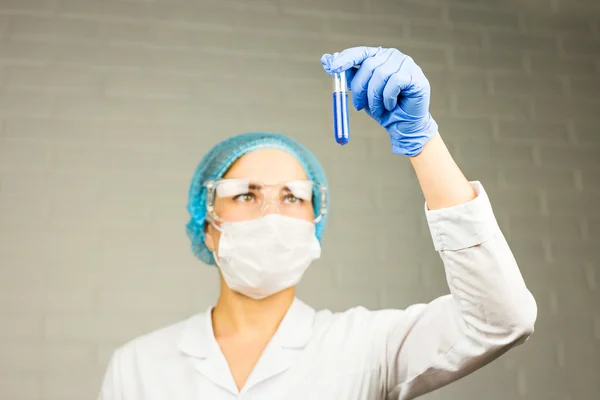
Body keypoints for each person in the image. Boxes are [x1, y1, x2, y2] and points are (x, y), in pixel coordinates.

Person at [98, 46, 537, 400]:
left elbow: (501, 319)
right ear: (207, 222)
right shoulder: (137, 368)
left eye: (292, 196)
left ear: (315, 221)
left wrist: (422, 141)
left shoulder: (368, 347)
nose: (272, 212)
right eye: (247, 194)